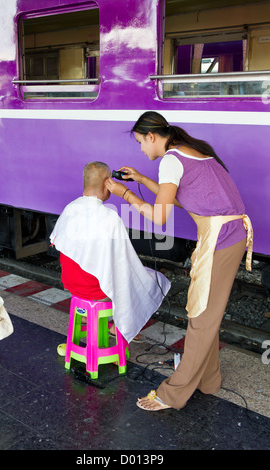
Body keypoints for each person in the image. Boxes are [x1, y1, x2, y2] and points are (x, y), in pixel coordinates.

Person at [106, 111, 253, 411]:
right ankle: (209, 381)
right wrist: (141, 178)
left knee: (200, 317)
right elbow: (176, 196)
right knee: (205, 312)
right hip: (229, 233)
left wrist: (125, 194)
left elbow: (160, 216)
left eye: (140, 143)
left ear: (152, 136)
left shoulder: (171, 160)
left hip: (220, 238)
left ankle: (172, 394)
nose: (142, 150)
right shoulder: (188, 151)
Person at [50, 161, 171, 345]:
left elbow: (57, 242)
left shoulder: (70, 208)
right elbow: (124, 265)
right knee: (154, 280)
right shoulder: (109, 218)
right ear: (108, 183)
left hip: (72, 285)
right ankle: (121, 326)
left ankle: (87, 317)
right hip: (95, 291)